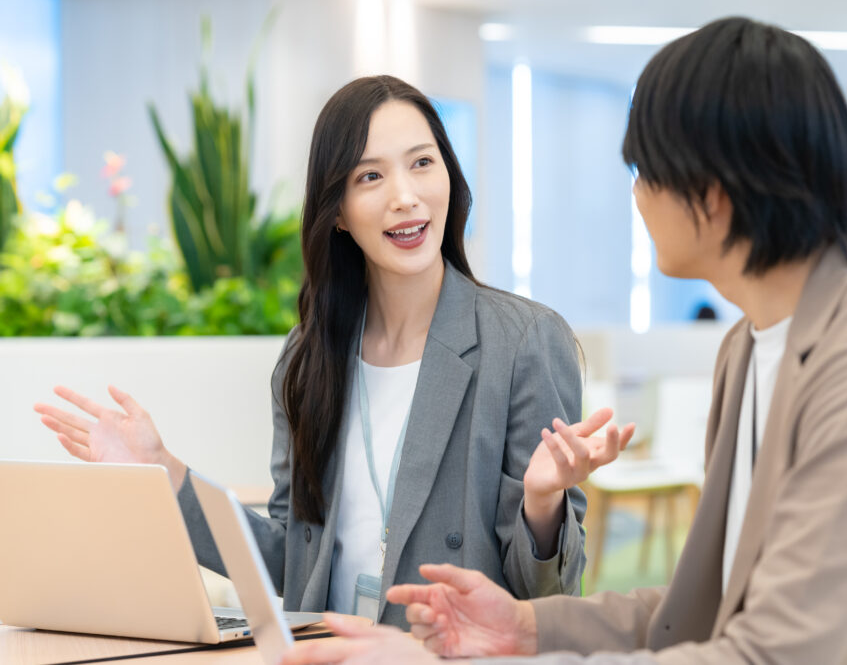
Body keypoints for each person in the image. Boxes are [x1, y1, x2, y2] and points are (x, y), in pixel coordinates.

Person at [278, 18, 847, 664]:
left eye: (644, 170)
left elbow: (773, 653)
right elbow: (703, 608)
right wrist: (523, 627)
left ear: (716, 190)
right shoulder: (752, 345)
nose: (634, 195)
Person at [34, 75, 635, 628]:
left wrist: (541, 500)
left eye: (422, 164)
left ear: (450, 176)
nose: (405, 196)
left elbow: (550, 600)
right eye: (370, 176)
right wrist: (164, 471)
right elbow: (292, 563)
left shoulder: (524, 341)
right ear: (339, 212)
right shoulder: (308, 357)